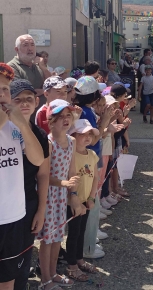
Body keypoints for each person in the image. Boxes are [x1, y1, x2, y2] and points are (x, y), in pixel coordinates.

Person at [0, 63, 44, 290]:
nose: (2, 95)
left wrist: (22, 126)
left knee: (7, 281)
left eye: (5, 89)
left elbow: (38, 161)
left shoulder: (15, 127)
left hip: (13, 217)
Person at [37, 99, 83, 290]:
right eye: (60, 116)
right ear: (51, 120)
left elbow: (72, 169)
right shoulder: (48, 143)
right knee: (47, 239)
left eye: (68, 116)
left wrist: (73, 193)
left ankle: (54, 272)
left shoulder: (71, 141)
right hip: (48, 196)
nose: (66, 119)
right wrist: (63, 183)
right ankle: (45, 278)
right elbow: (44, 175)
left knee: (57, 237)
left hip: (62, 196)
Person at [9, 79, 50, 290]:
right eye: (18, 100)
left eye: (29, 99)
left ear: (36, 102)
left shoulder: (41, 135)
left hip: (28, 204)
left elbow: (43, 175)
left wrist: (41, 210)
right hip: (5, 208)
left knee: (24, 259)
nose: (24, 104)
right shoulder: (3, 133)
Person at [74, 76, 112, 258]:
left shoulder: (83, 110)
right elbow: (93, 138)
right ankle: (88, 247)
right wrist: (105, 120)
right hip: (88, 161)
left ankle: (90, 240)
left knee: (92, 201)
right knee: (91, 202)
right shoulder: (86, 112)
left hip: (89, 159)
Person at [66, 119, 100, 281]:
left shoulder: (92, 155)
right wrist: (75, 199)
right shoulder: (70, 155)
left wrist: (92, 197)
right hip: (73, 202)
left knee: (81, 232)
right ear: (72, 136)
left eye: (90, 134)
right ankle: (71, 264)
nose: (87, 138)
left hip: (86, 200)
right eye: (82, 134)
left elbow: (95, 178)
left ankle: (79, 258)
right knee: (73, 233)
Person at [7, 34, 51, 99]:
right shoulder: (11, 67)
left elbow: (52, 85)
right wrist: (45, 91)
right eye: (25, 45)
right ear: (17, 49)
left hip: (43, 108)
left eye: (32, 45)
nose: (30, 48)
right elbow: (22, 93)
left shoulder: (39, 65)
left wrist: (44, 68)